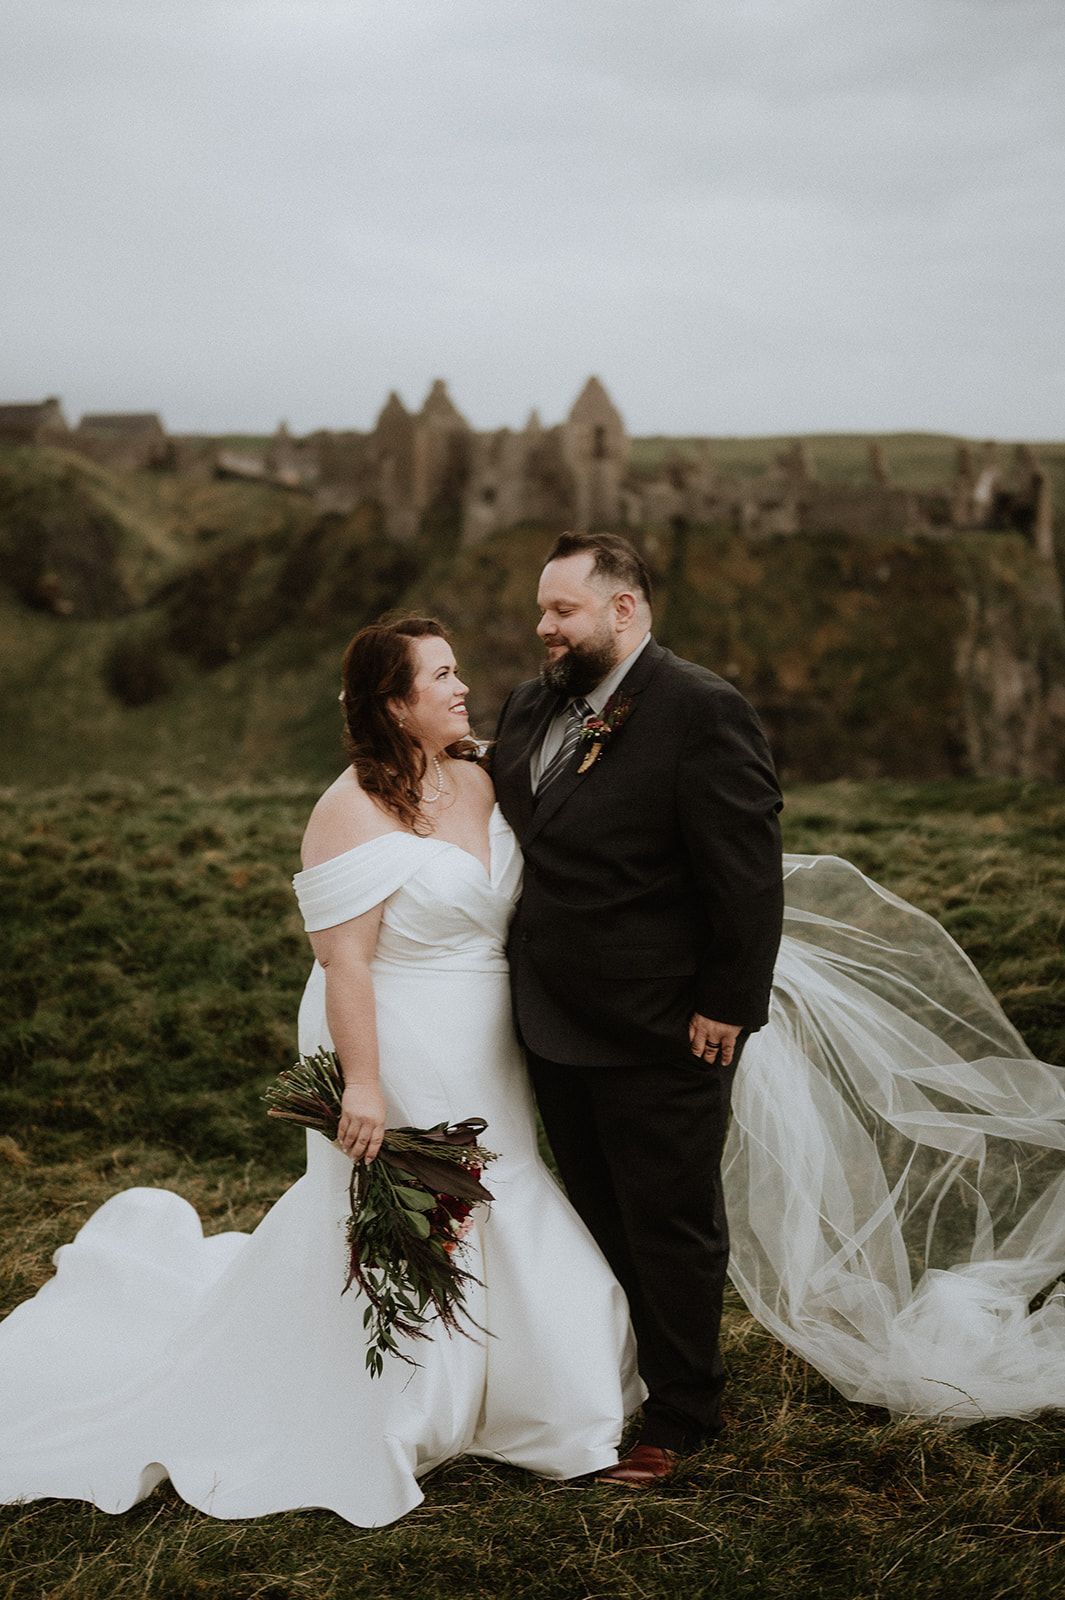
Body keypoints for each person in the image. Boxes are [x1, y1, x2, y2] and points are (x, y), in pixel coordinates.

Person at [0, 617, 642, 1528]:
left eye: (459, 671)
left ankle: (530, 1398)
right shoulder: (347, 810)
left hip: (487, 1030)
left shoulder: (479, 770)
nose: (464, 687)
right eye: (443, 675)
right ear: (394, 702)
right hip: (394, 1024)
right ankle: (408, 1400)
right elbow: (346, 965)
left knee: (504, 1185)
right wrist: (366, 1084)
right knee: (438, 1199)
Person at [492, 532, 785, 1484]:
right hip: (549, 1019)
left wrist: (727, 1004)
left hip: (666, 1025)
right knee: (596, 1214)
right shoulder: (532, 705)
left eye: (561, 610)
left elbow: (743, 874)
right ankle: (611, 1383)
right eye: (541, 608)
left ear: (624, 610)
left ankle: (682, 1417)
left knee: (669, 1224)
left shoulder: (701, 711)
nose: (542, 626)